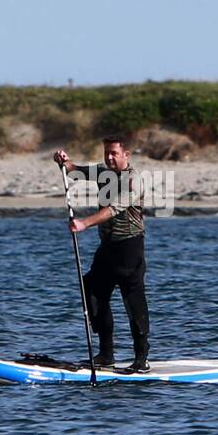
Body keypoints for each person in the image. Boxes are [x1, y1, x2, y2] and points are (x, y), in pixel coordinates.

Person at [53, 138, 150, 371]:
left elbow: (115, 207)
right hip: (107, 248)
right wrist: (64, 161)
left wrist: (84, 223)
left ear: (126, 154)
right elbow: (75, 170)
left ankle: (141, 359)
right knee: (93, 291)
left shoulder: (134, 181)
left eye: (114, 153)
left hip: (130, 249)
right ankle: (106, 354)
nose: (109, 158)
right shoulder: (103, 172)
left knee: (133, 302)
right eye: (106, 153)